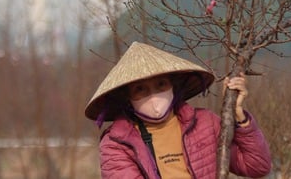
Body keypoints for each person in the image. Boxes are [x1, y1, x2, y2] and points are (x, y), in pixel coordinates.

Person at [84, 41, 272, 179]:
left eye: (161, 85)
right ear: (128, 98)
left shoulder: (205, 124)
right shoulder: (116, 143)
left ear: (173, 86)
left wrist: (239, 116)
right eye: (140, 89)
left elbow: (257, 166)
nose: (154, 95)